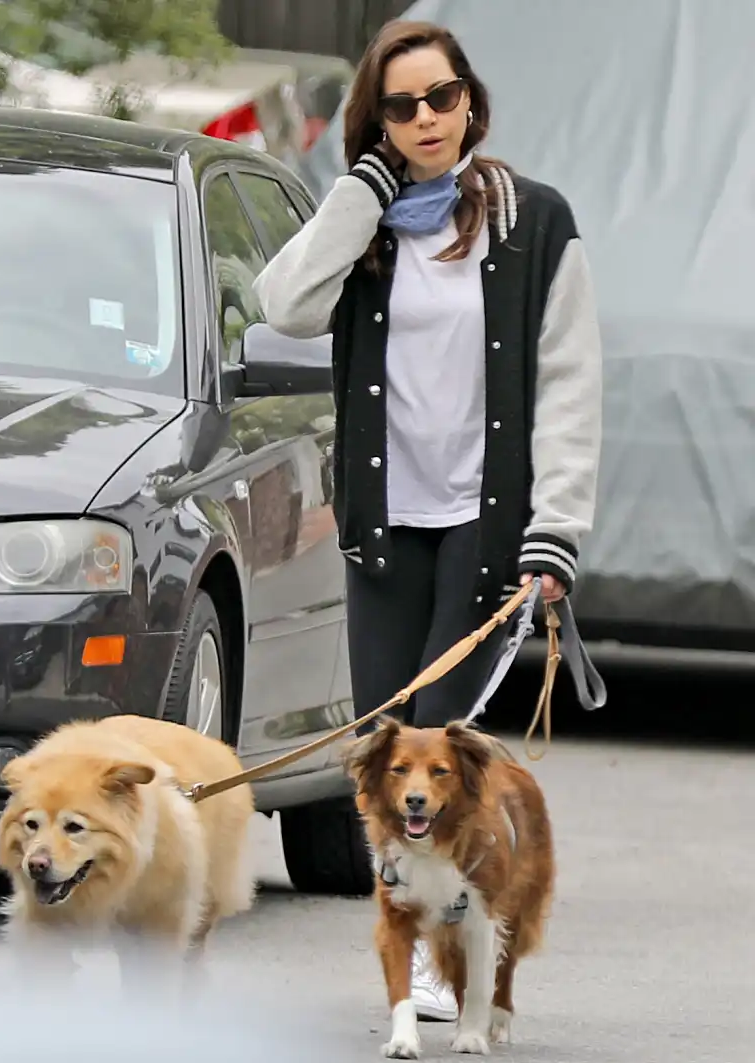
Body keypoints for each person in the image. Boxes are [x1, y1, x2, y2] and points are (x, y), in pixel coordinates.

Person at [253, 18, 602, 1023]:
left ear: (467, 99)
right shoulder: (360, 228)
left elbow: (569, 383)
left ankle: (455, 948)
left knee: (445, 750)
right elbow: (281, 302)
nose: (425, 120)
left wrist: (555, 531)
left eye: (440, 97)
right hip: (382, 524)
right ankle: (415, 948)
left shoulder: (534, 222)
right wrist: (358, 196)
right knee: (383, 755)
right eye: (401, 106)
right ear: (378, 121)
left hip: (482, 526)